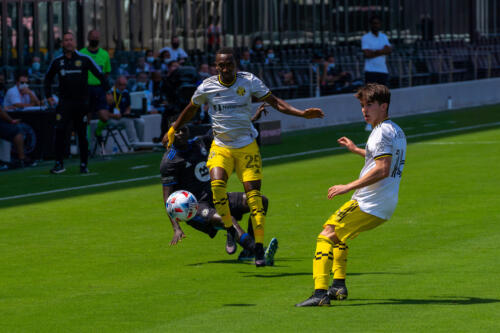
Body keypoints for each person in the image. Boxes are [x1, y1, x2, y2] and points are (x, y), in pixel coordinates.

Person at [163, 47, 324, 267]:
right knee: (218, 184)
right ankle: (231, 229)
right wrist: (174, 129)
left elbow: (275, 102)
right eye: (221, 65)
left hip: (247, 146)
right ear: (216, 66)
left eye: (229, 64)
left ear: (236, 65)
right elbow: (190, 109)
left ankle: (257, 248)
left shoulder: (249, 81)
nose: (226, 68)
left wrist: (301, 113)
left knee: (255, 198)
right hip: (221, 147)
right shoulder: (207, 86)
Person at [295, 83, 406, 307]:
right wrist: (357, 150)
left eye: (370, 105)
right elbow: (380, 158)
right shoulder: (394, 129)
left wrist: (348, 186)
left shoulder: (382, 131)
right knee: (339, 236)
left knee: (326, 234)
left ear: (384, 106)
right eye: (363, 105)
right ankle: (338, 286)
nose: (365, 110)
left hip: (370, 202)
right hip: (383, 203)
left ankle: (319, 293)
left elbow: (382, 169)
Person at [161, 125, 278, 264]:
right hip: (196, 207)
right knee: (228, 219)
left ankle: (246, 251)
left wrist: (248, 119)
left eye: (183, 129)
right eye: (176, 131)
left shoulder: (200, 142)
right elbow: (168, 199)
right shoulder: (170, 161)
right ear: (170, 133)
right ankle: (259, 252)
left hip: (216, 197)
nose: (180, 133)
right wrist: (176, 228)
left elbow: (225, 127)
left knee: (261, 201)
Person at [44, 31, 109, 174]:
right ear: (62, 43)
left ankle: (84, 164)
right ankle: (59, 163)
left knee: (82, 134)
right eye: (66, 40)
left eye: (71, 40)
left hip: (81, 103)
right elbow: (47, 78)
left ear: (74, 43)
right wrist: (48, 96)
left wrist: (107, 91)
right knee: (60, 131)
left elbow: (100, 74)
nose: (68, 42)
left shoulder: (84, 59)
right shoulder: (57, 61)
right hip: (64, 104)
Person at [80, 29, 112, 144]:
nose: (95, 40)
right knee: (86, 118)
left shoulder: (104, 54)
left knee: (104, 117)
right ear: (88, 38)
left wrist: (105, 88)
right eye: (93, 37)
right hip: (86, 89)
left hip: (99, 89)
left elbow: (107, 72)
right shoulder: (81, 53)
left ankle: (98, 132)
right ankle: (87, 145)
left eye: (97, 38)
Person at [103, 76, 145, 145]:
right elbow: (104, 113)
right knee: (128, 121)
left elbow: (128, 106)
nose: (123, 87)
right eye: (120, 85)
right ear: (116, 84)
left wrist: (127, 112)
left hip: (123, 116)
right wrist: (113, 115)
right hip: (112, 119)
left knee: (141, 121)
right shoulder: (109, 94)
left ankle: (142, 143)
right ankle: (134, 143)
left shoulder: (125, 93)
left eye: (124, 85)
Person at [361, 15, 392, 86]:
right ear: (371, 24)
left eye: (377, 23)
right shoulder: (365, 38)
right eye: (374, 23)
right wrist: (382, 51)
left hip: (383, 71)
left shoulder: (384, 37)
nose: (376, 25)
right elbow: (367, 54)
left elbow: (389, 51)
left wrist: (375, 52)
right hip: (370, 71)